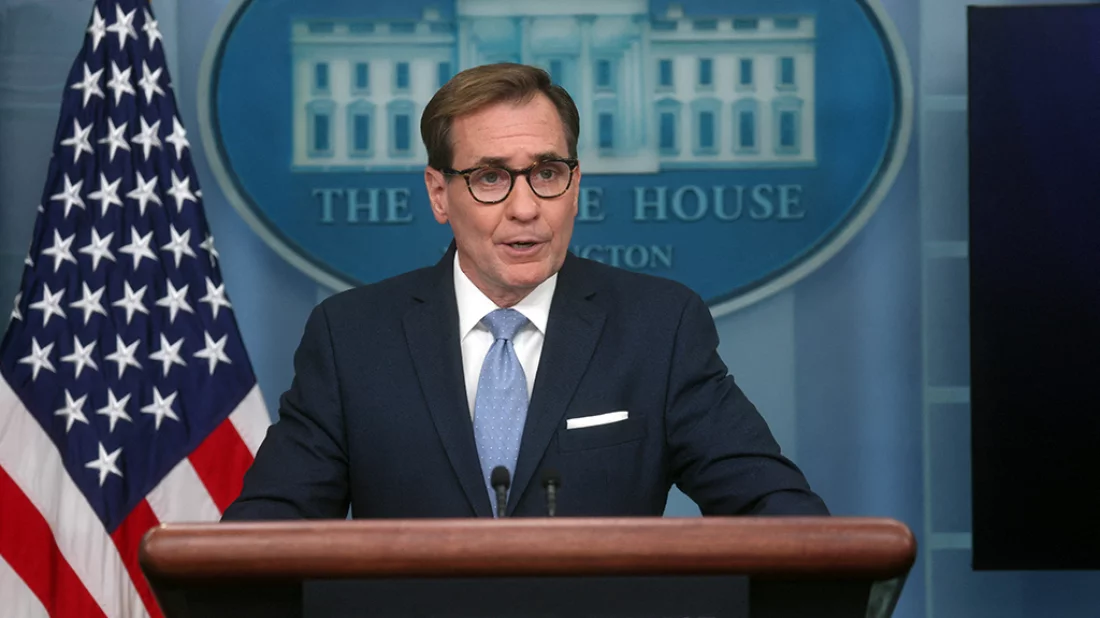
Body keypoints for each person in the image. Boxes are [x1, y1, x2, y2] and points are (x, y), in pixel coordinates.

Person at [222, 64, 828, 520]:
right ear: (439, 194)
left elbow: (779, 516)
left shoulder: (657, 327)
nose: (525, 208)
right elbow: (266, 536)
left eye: (546, 173)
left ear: (575, 183)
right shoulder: (352, 337)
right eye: (489, 177)